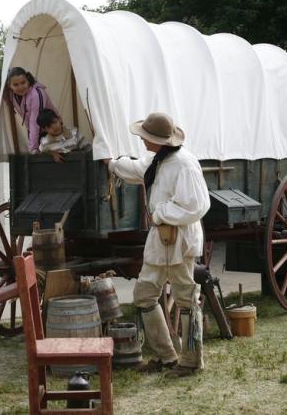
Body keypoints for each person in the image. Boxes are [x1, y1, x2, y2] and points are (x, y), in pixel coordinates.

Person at [103, 112, 210, 378]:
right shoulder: (157, 160)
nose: (143, 141)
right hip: (159, 240)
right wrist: (112, 164)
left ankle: (192, 361)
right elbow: (138, 168)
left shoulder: (185, 164)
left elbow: (197, 205)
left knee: (186, 298)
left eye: (146, 138)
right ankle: (168, 357)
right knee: (144, 295)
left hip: (179, 239)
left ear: (161, 141)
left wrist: (160, 212)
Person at [3, 67, 57, 154]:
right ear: (9, 86)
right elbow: (5, 94)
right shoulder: (12, 95)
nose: (20, 87)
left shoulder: (36, 94)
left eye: (23, 82)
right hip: (34, 131)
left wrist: (33, 148)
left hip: (52, 131)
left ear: (28, 80)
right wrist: (8, 103)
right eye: (16, 85)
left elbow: (35, 122)